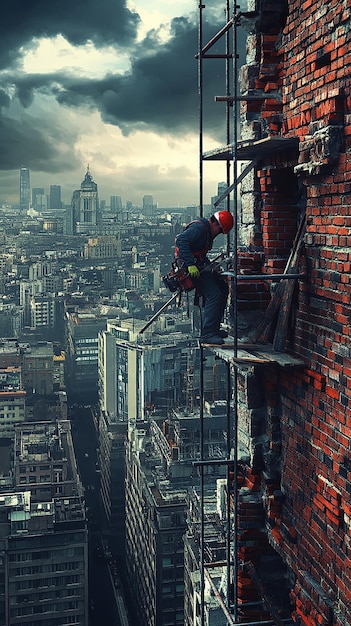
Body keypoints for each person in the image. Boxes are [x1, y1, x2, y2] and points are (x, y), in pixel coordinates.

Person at [174, 210, 234, 345]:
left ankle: (214, 329)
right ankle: (207, 334)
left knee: (223, 288)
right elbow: (181, 240)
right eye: (219, 231)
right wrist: (190, 264)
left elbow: (199, 252)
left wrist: (210, 266)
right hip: (189, 269)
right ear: (215, 224)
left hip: (198, 266)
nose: (217, 235)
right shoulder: (200, 229)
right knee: (214, 294)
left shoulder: (205, 231)